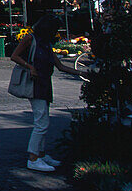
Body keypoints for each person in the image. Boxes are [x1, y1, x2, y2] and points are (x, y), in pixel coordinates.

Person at [10, 13, 85, 172]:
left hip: (45, 83)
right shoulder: (31, 39)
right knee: (41, 122)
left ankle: (41, 154)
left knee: (43, 120)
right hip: (35, 84)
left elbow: (60, 66)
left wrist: (81, 73)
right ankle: (33, 157)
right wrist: (30, 67)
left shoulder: (45, 43)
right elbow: (14, 56)